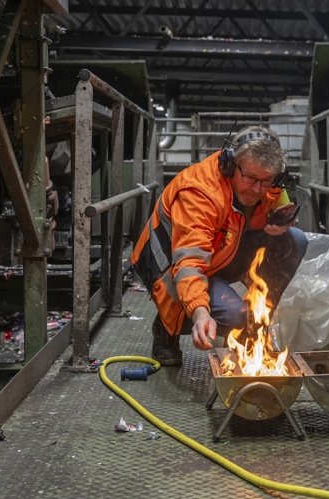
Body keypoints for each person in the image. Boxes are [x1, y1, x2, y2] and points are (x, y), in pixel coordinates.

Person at [131, 125, 308, 366]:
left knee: (295, 240)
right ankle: (166, 326)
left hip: (222, 251)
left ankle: (253, 329)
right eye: (250, 178)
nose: (257, 189)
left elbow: (278, 200)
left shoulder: (267, 179)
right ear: (230, 165)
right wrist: (200, 311)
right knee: (233, 315)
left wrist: (281, 221)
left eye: (266, 181)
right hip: (172, 265)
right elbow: (189, 263)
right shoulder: (199, 192)